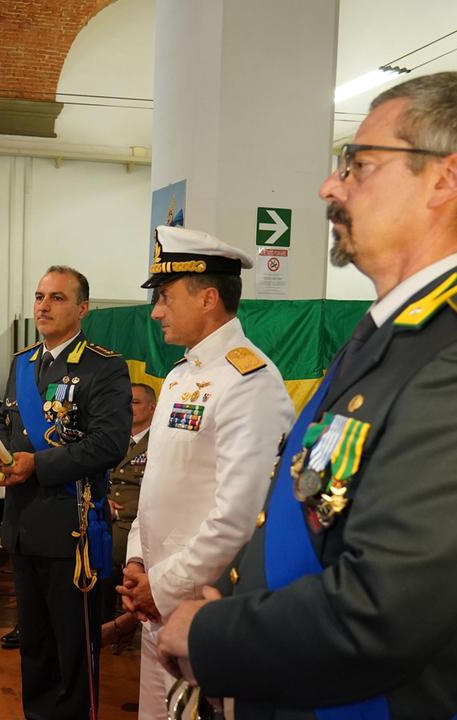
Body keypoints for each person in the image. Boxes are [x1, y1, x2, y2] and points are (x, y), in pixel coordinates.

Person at [157, 71, 457, 718]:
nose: (330, 186)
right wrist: (237, 601)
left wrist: (212, 634)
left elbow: (389, 609)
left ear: (448, 178)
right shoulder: (394, 334)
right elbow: (310, 515)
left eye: (358, 164)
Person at [122, 226, 296, 717]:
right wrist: (137, 562)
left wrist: (162, 586)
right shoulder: (181, 376)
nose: (156, 311)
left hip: (203, 603)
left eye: (165, 296)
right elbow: (158, 484)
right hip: (158, 598)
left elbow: (240, 515)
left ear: (208, 299)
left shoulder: (249, 382)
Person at [0, 265, 131, 720]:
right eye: (39, 297)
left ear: (82, 308)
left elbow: (109, 443)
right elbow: (3, 420)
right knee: (34, 643)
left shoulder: (103, 366)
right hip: (23, 524)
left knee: (73, 648)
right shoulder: (22, 363)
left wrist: (38, 465)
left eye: (57, 298)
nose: (43, 306)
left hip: (72, 529)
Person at [101, 382, 156, 650]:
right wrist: (103, 500)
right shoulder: (113, 437)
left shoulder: (159, 441)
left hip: (134, 519)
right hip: (103, 512)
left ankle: (111, 624)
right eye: (126, 402)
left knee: (104, 555)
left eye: (135, 402)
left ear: (152, 407)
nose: (129, 407)